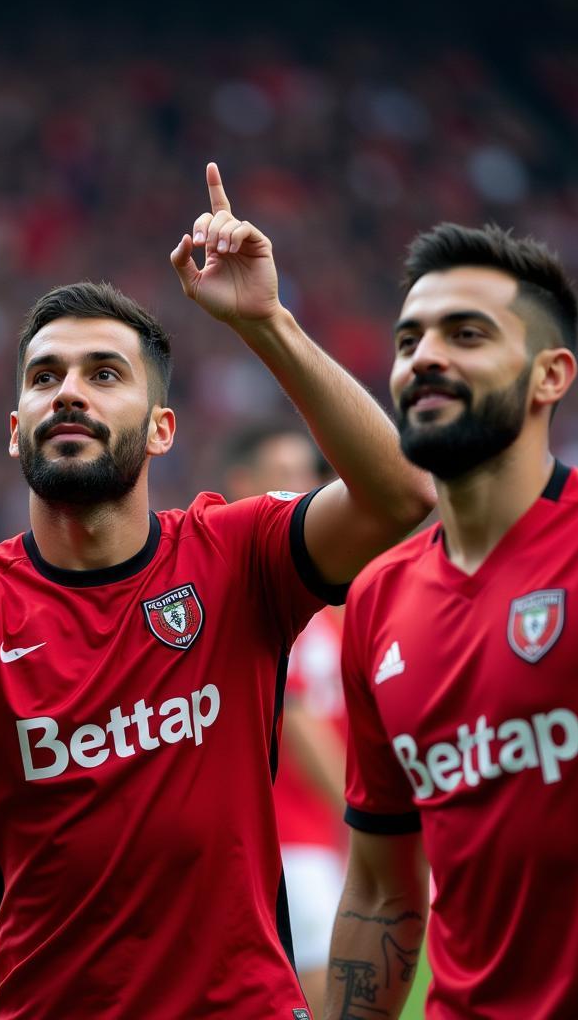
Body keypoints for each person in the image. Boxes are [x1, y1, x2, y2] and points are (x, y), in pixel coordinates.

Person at [0, 163, 435, 1018]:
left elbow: (401, 496)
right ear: (16, 429)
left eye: (105, 374)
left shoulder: (235, 552)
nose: (69, 389)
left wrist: (267, 322)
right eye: (44, 377)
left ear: (162, 428)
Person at [325, 223, 578, 1019]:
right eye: (409, 339)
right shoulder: (375, 601)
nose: (426, 356)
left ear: (549, 376)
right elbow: (382, 891)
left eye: (467, 334)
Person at [222, 424, 349, 1019]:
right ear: (244, 485)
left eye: (310, 473)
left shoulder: (324, 603)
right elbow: (297, 721)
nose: (305, 487)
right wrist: (365, 815)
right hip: (289, 846)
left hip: (315, 841)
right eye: (287, 472)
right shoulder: (269, 597)